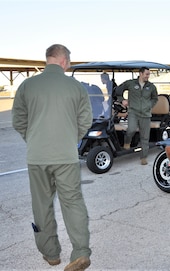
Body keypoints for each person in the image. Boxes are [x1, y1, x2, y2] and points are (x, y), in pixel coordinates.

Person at [12, 44, 92, 271]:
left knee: (42, 205)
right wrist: (68, 139)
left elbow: (18, 120)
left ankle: (51, 254)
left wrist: (35, 139)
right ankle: (80, 253)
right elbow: (85, 121)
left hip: (37, 157)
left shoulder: (27, 85)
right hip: (65, 156)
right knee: (73, 202)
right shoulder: (76, 87)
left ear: (48, 59)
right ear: (64, 61)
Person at [115, 66, 158, 165]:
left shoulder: (151, 86)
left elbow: (155, 98)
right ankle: (127, 142)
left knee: (145, 137)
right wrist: (122, 100)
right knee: (131, 129)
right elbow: (118, 91)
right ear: (141, 73)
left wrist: (149, 105)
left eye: (149, 74)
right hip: (133, 112)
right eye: (146, 74)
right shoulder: (130, 83)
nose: (148, 76)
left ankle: (143, 157)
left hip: (146, 114)